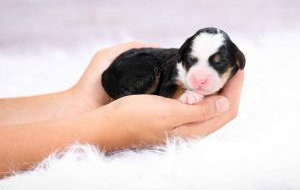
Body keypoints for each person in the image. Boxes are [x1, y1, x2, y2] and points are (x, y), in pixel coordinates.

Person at [0, 42, 244, 177]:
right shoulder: (168, 70)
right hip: (133, 73)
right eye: (192, 61)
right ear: (184, 56)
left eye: (218, 64)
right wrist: (107, 126)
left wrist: (79, 101)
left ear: (236, 62)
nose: (201, 77)